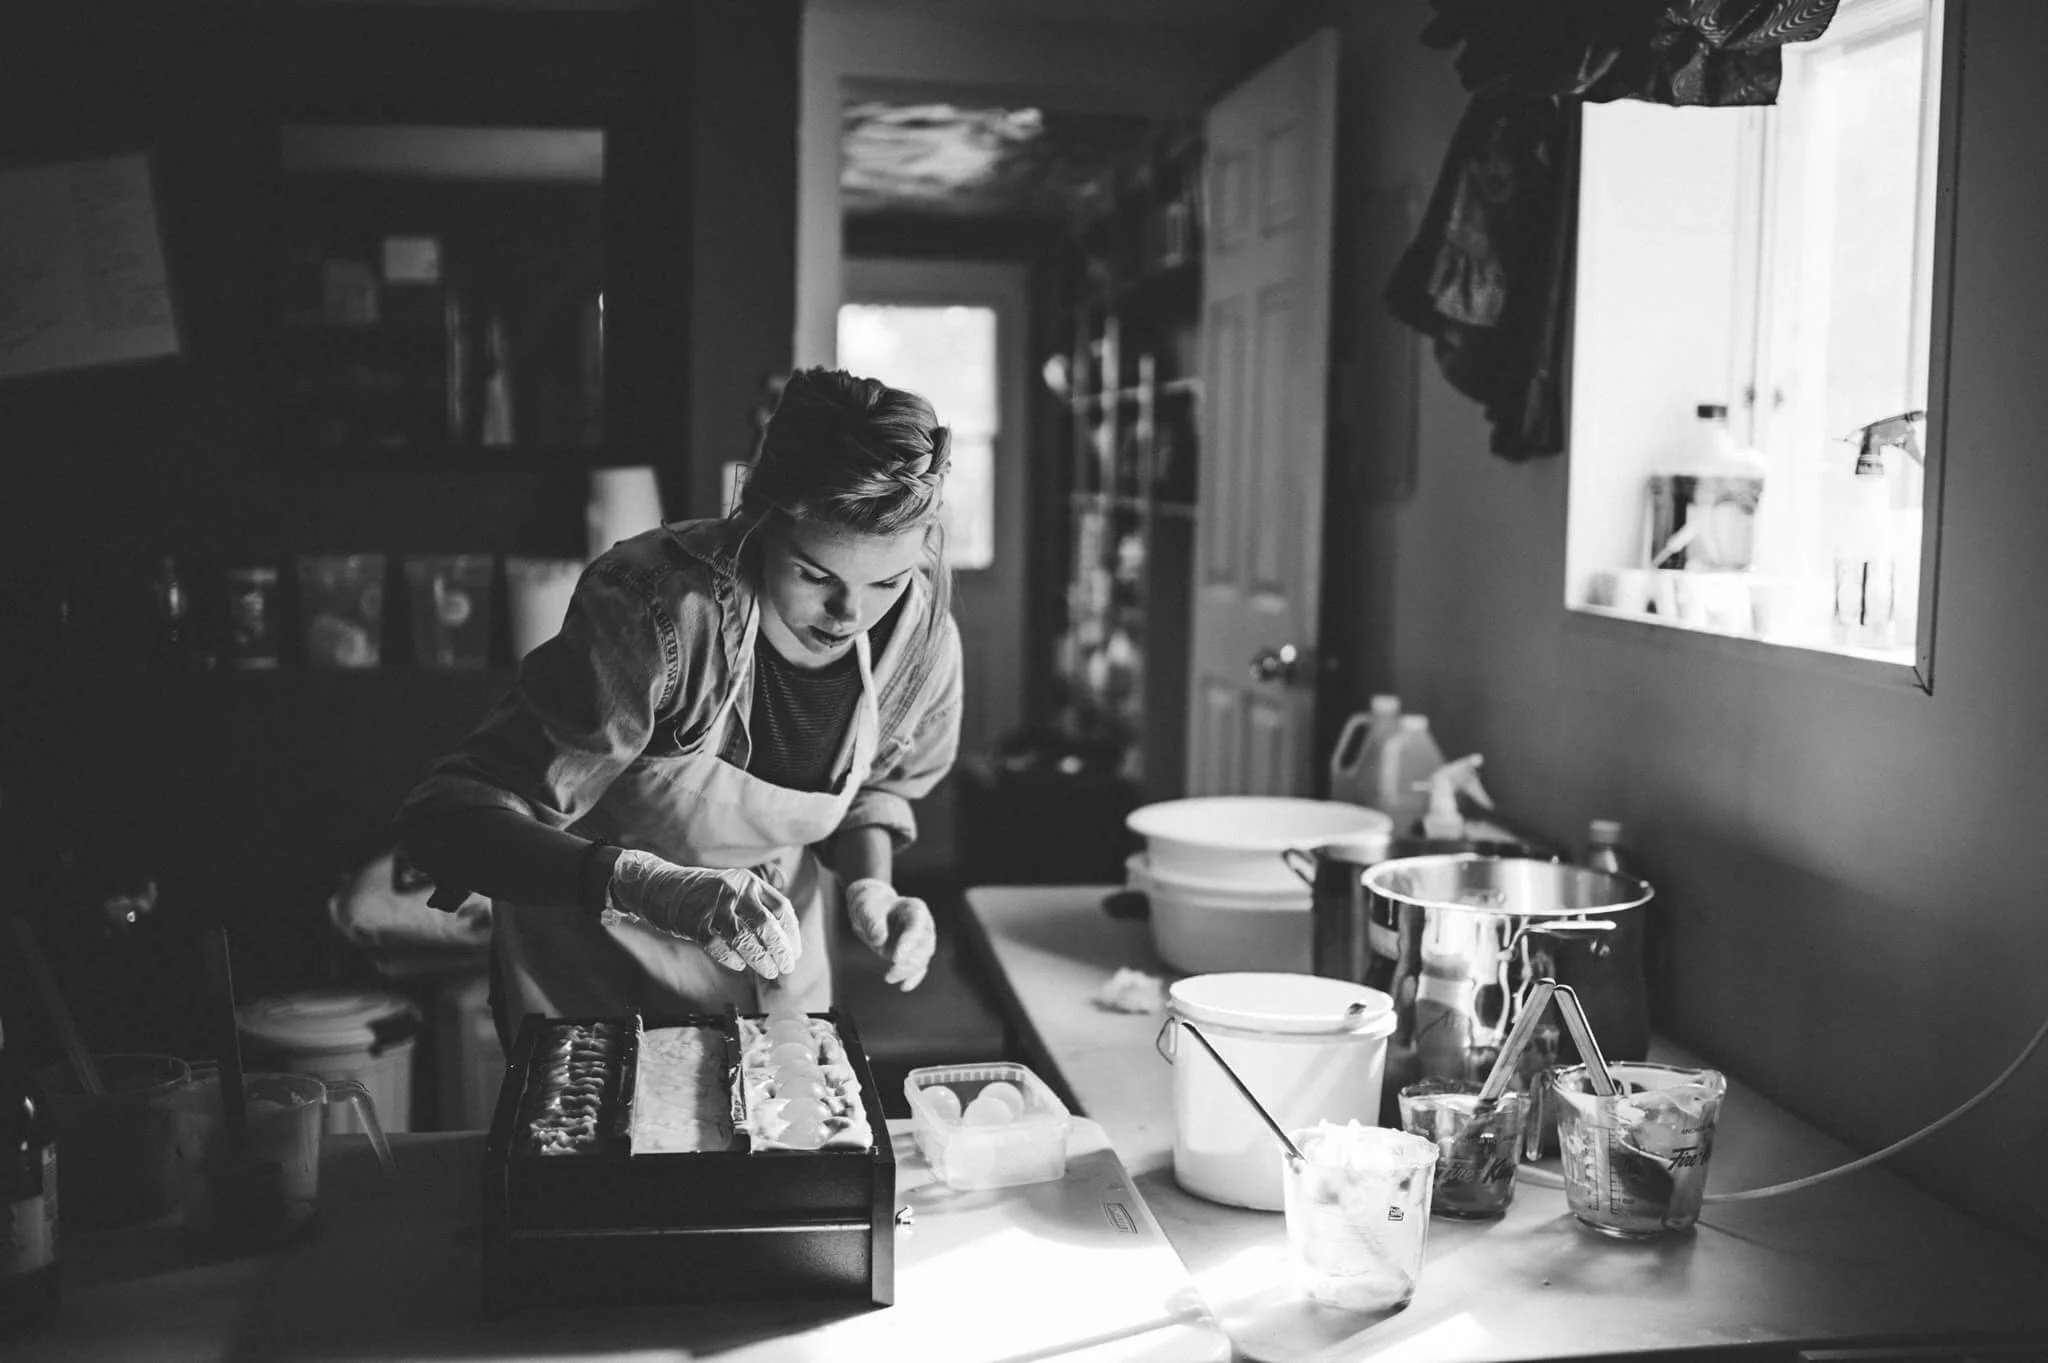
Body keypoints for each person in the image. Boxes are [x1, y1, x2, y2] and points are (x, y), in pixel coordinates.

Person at [397, 368, 962, 1046]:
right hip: (597, 969)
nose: (851, 613)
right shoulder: (662, 613)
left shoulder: (918, 641)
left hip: (778, 969)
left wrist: (874, 888)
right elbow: (447, 820)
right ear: (758, 516)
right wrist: (647, 885)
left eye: (887, 581)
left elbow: (873, 788)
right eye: (815, 575)